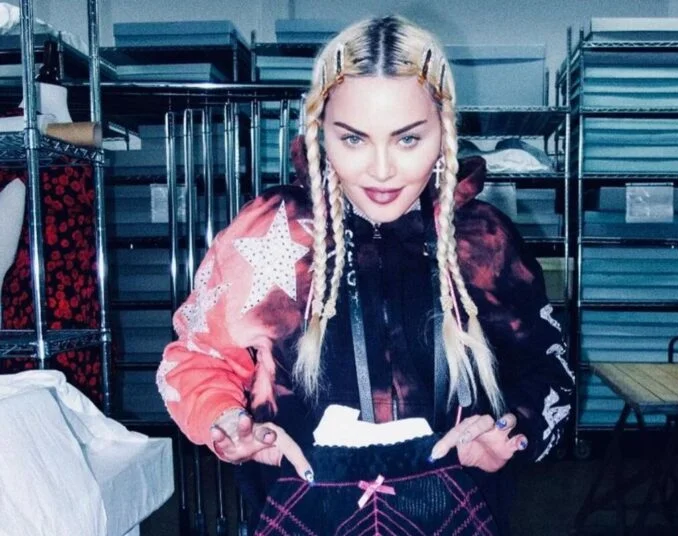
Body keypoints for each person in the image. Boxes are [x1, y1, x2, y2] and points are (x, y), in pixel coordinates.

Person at [157, 14, 574, 535]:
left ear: (443, 130)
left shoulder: (484, 240)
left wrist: (513, 427)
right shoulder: (268, 231)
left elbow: (549, 368)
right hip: (302, 516)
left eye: (407, 139)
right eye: (353, 139)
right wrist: (226, 419)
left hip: (456, 516)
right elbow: (196, 358)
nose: (381, 169)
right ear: (321, 132)